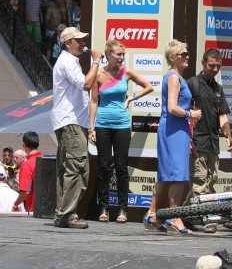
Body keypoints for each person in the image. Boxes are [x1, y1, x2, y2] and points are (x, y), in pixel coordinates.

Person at [88, 40, 153, 223]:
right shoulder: (99, 74)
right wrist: (91, 128)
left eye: (123, 54)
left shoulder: (127, 72)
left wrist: (132, 98)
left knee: (121, 167)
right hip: (102, 124)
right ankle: (103, 208)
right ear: (108, 55)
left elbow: (149, 86)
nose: (122, 57)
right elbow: (93, 101)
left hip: (123, 125)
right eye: (118, 54)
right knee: (103, 166)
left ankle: (123, 209)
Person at [51, 26, 101, 229]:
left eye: (82, 40)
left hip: (71, 122)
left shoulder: (69, 61)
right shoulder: (67, 61)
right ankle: (66, 214)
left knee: (68, 168)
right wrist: (96, 61)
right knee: (77, 167)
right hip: (69, 122)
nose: (82, 43)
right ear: (67, 43)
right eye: (77, 40)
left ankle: (62, 212)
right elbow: (86, 85)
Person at [154, 40, 201, 234]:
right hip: (173, 128)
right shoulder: (173, 77)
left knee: (172, 175)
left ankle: (158, 215)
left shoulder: (175, 77)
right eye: (183, 54)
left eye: (187, 53)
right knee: (178, 175)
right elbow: (172, 107)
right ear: (174, 58)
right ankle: (174, 217)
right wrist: (191, 114)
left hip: (176, 129)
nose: (188, 57)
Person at [189, 49, 232, 195]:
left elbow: (223, 115)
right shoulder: (192, 83)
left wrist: (228, 136)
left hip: (213, 144)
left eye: (218, 66)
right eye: (211, 65)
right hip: (197, 142)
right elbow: (181, 112)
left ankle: (205, 214)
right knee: (199, 181)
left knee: (212, 180)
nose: (215, 69)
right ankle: (197, 215)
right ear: (203, 64)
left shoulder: (218, 88)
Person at [12, 132, 43, 213]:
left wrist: (16, 204)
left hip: (33, 210)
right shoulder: (45, 160)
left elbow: (25, 191)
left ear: (24, 145)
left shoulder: (27, 164)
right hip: (50, 208)